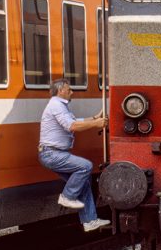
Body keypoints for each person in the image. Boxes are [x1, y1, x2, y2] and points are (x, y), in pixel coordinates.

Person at [39, 78, 110, 232]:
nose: (72, 92)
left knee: (84, 183)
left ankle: (89, 220)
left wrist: (94, 119)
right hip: (52, 154)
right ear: (60, 91)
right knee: (86, 166)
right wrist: (96, 124)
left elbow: (74, 120)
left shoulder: (59, 105)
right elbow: (71, 126)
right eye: (69, 89)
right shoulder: (56, 105)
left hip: (54, 153)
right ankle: (67, 196)